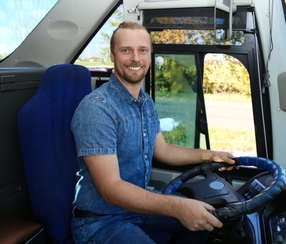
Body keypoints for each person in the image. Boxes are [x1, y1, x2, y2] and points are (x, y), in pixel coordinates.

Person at [70, 21, 236, 243]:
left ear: (149, 55)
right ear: (112, 55)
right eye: (126, 50)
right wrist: (177, 206)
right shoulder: (96, 108)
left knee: (213, 218)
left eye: (143, 50)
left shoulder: (145, 101)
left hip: (137, 209)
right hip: (101, 220)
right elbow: (110, 188)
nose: (135, 58)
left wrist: (209, 154)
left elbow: (164, 150)